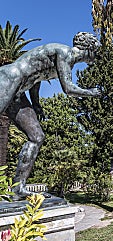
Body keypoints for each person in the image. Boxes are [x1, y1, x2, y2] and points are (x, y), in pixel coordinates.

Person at [0, 32, 101, 199]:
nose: (96, 57)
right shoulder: (66, 53)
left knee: (37, 137)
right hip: (8, 79)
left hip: (19, 92)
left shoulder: (66, 59)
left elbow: (36, 78)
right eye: (96, 53)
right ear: (89, 49)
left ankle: (18, 188)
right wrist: (90, 92)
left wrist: (37, 105)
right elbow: (68, 88)